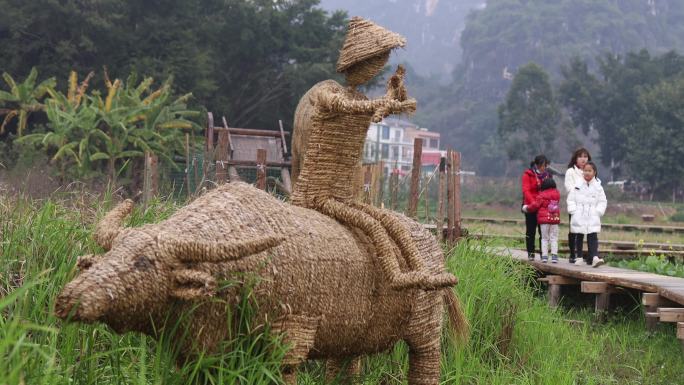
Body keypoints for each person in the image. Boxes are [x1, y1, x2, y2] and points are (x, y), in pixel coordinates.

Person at [567, 162, 607, 267]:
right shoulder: (577, 184)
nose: (587, 173)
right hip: (579, 214)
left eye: (589, 171)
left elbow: (603, 201)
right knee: (579, 235)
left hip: (592, 215)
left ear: (594, 172)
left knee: (592, 235)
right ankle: (579, 257)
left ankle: (594, 257)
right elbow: (571, 199)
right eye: (585, 170)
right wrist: (573, 211)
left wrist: (598, 211)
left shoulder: (598, 186)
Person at [524, 178, 561, 263]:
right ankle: (554, 256)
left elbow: (535, 206)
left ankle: (544, 256)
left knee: (544, 238)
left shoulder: (541, 195)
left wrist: (527, 208)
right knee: (554, 238)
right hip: (554, 219)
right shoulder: (557, 194)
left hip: (544, 220)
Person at [564, 148, 591, 264]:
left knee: (583, 230)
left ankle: (580, 254)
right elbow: (569, 188)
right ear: (576, 159)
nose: (583, 159)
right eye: (580, 156)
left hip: (587, 205)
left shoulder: (590, 171)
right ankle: (572, 254)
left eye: (585, 156)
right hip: (574, 204)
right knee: (573, 230)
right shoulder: (571, 171)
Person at [521, 155, 550, 261]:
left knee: (543, 231)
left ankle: (544, 253)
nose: (544, 167)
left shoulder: (548, 176)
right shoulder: (528, 175)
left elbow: (550, 190)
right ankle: (531, 253)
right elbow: (526, 190)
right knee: (531, 231)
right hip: (531, 206)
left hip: (543, 207)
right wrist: (534, 203)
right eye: (542, 165)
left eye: (545, 165)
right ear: (537, 165)